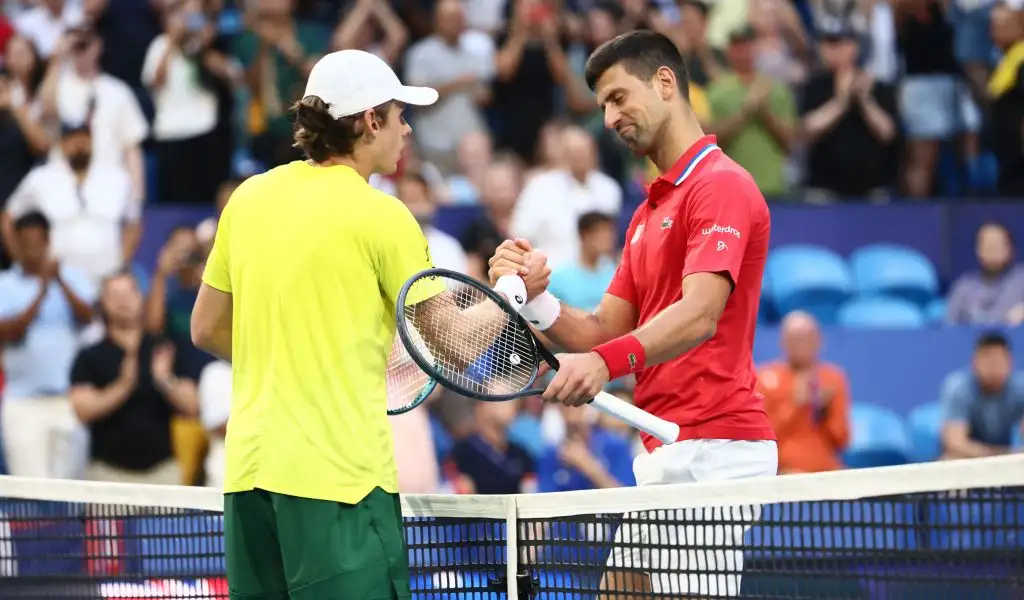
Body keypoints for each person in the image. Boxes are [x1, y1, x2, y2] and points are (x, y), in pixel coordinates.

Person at [488, 31, 778, 598]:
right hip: (666, 445)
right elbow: (600, 331)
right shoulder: (648, 212)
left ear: (665, 83)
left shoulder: (720, 186)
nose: (609, 117)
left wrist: (602, 363)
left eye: (619, 98)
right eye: (601, 105)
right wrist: (537, 296)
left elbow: (700, 314)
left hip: (715, 450)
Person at [190, 49, 441, 600]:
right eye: (400, 114)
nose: (407, 128)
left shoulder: (247, 199)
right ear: (370, 120)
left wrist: (288, 356)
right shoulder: (384, 215)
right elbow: (449, 343)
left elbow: (206, 328)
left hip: (249, 483)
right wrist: (517, 295)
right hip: (340, 485)